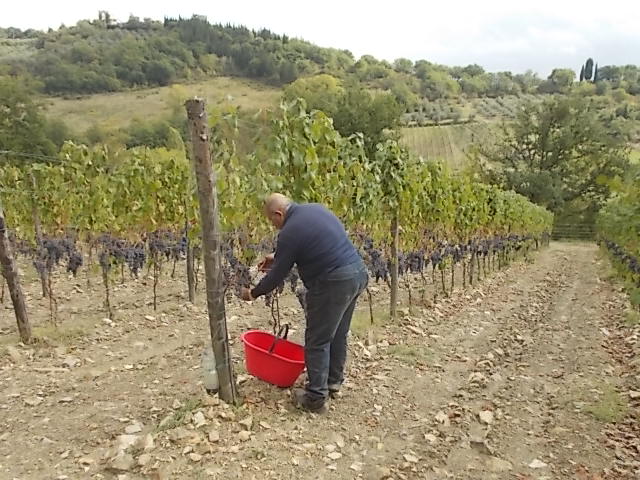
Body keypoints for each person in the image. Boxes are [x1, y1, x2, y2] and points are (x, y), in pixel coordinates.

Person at [240, 193, 368, 413]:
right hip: (357, 273)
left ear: (278, 214)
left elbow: (277, 275)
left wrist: (253, 293)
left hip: (333, 282)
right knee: (338, 333)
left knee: (317, 340)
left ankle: (316, 398)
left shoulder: (289, 231)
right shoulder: (315, 209)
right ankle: (332, 382)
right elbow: (314, 242)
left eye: (272, 221)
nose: (273, 226)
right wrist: (278, 256)